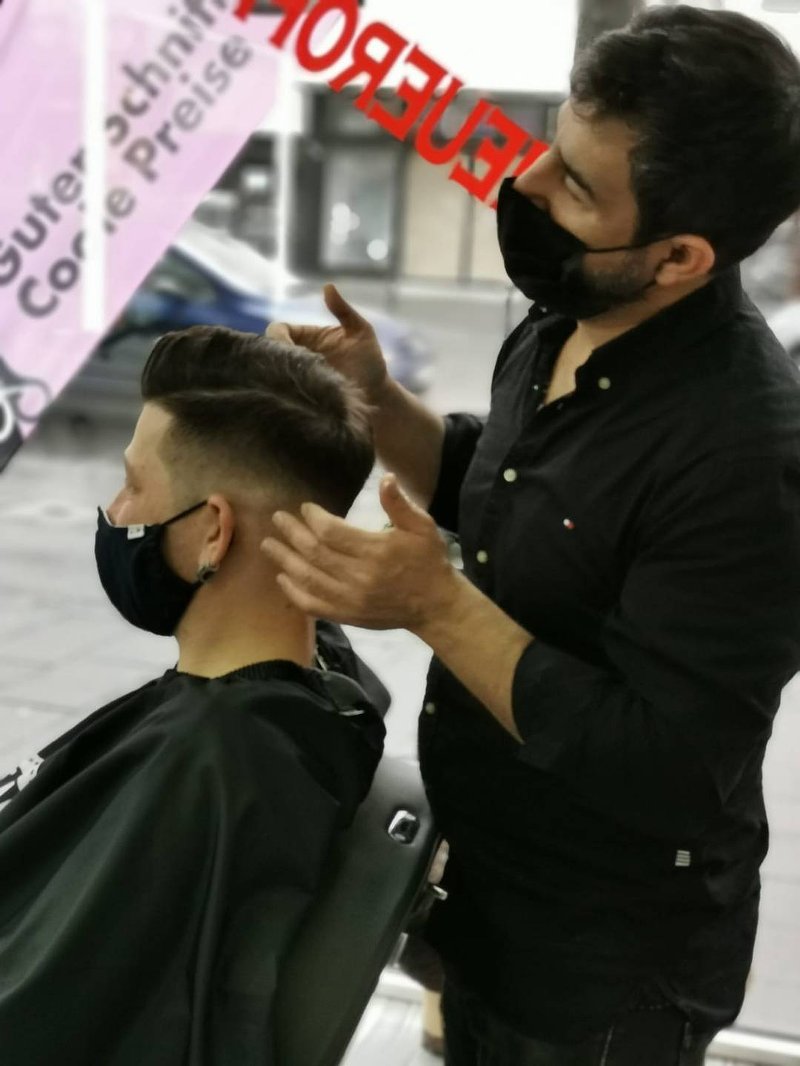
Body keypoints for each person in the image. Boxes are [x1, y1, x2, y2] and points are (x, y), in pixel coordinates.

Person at [261, 6, 800, 1064]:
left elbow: (669, 763)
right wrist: (378, 402)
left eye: (577, 187)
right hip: (487, 895)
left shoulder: (745, 456)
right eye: (549, 148)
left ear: (679, 255)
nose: (527, 186)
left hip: (603, 966)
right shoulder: (566, 313)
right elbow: (503, 485)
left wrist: (434, 604)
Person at [0, 325, 387, 1065]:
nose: (116, 511)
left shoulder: (207, 768)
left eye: (134, 485)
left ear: (213, 530)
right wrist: (289, 390)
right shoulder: (319, 703)